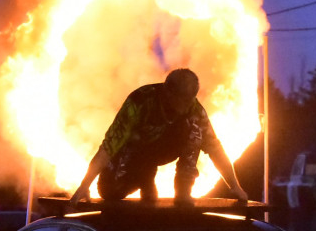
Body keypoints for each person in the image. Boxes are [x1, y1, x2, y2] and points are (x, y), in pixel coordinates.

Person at [70, 68, 248, 205]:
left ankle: (183, 190)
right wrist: (86, 183)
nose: (187, 104)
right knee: (108, 192)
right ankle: (145, 180)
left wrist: (235, 186)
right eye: (183, 99)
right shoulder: (140, 101)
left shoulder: (194, 110)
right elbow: (110, 145)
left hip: (167, 149)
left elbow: (214, 148)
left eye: (190, 99)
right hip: (136, 153)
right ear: (168, 93)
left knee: (195, 130)